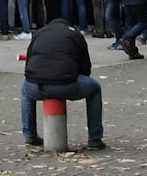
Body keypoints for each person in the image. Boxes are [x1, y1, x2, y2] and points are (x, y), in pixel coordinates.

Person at [20, 15, 106, 149]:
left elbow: (28, 63)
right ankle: (95, 137)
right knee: (95, 89)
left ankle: (29, 134)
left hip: (36, 85)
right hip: (66, 84)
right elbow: (85, 67)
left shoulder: (39, 33)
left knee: (25, 91)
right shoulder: (75, 34)